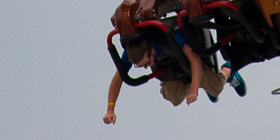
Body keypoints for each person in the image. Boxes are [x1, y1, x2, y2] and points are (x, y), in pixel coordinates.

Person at [102, 35, 241, 123]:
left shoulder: (167, 38)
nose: (146, 68)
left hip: (192, 62)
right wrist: (110, 109)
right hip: (173, 71)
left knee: (216, 88)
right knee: (173, 97)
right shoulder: (132, 51)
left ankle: (227, 71)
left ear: (152, 51)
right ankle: (200, 83)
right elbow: (118, 79)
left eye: (146, 63)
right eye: (141, 66)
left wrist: (194, 91)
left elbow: (195, 60)